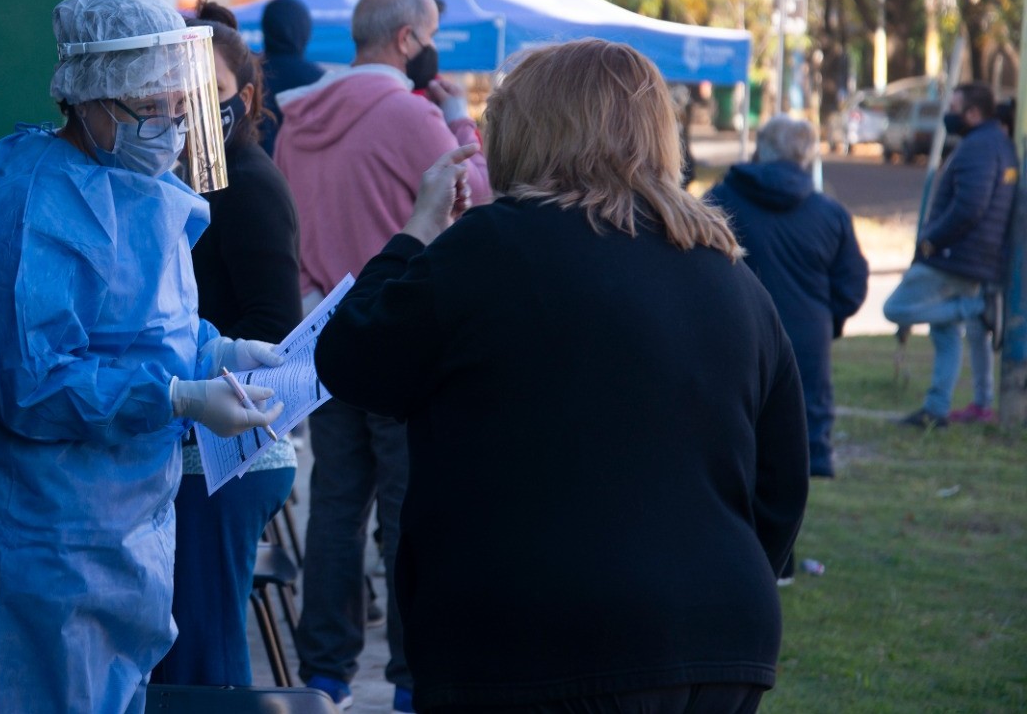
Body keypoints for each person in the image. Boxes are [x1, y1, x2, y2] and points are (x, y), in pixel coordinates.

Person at [313, 39, 809, 714]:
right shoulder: (728, 273)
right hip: (717, 635)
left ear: (524, 131)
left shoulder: (490, 247)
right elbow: (783, 482)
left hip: (530, 641)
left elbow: (348, 357)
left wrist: (417, 230)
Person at [0, 0, 284, 714]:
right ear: (88, 98)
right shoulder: (27, 201)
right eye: (150, 108)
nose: (170, 127)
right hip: (35, 537)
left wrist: (220, 352)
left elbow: (152, 326)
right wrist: (176, 397)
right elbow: (29, 380)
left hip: (125, 530)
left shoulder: (140, 188)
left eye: (180, 107)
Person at [273, 0, 491, 713]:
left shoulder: (298, 118)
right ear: (407, 39)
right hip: (402, 340)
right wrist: (460, 120)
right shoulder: (410, 115)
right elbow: (478, 196)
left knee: (335, 507)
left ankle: (323, 673)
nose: (433, 49)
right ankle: (408, 680)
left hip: (327, 341)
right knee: (406, 512)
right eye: (430, 36)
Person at [150, 0, 303, 688]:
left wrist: (202, 365)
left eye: (208, 90)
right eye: (176, 89)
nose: (190, 107)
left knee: (204, 658)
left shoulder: (246, 183)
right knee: (188, 648)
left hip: (226, 453)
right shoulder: (187, 179)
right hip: (197, 442)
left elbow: (275, 326)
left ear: (244, 98)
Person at [708, 116, 869, 479]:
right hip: (808, 334)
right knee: (803, 418)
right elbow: (852, 285)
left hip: (739, 329)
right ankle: (811, 462)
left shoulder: (721, 203)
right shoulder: (830, 213)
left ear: (761, 148)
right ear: (806, 155)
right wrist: (826, 320)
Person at [883, 82, 1018, 427]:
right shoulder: (996, 143)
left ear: (973, 114)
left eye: (954, 109)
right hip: (972, 256)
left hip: (954, 257)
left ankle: (975, 309)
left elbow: (969, 207)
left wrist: (931, 241)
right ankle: (937, 408)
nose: (948, 115)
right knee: (944, 332)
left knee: (895, 308)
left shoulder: (979, 147)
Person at [258, 0, 325, 156]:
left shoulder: (250, 74)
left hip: (256, 167)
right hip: (303, 167)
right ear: (304, 30)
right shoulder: (319, 80)